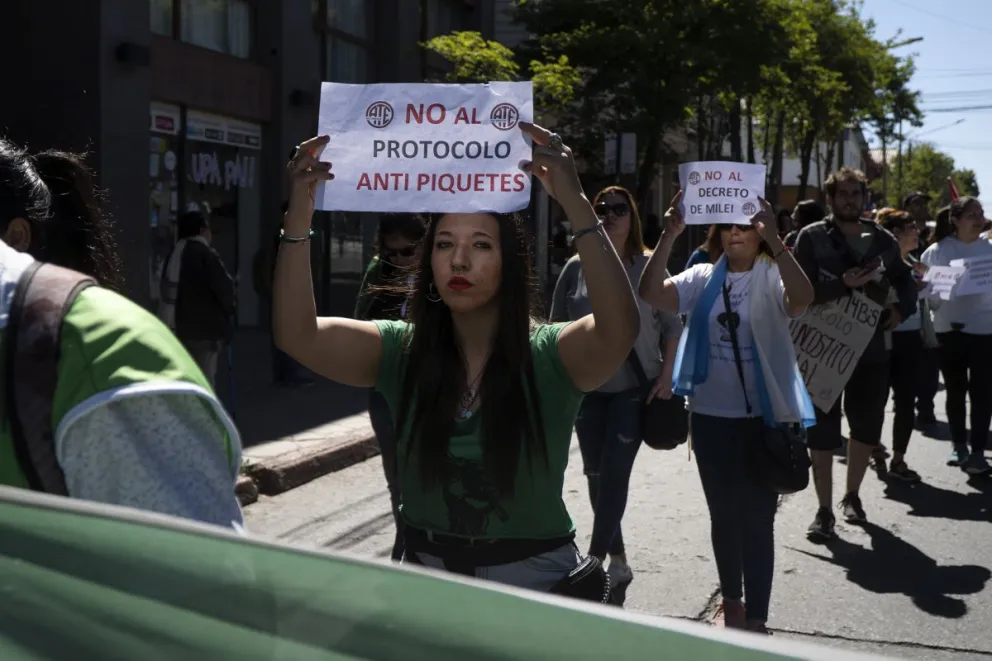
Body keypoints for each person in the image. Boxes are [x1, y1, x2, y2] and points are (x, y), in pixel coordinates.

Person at [274, 126, 639, 593]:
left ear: (509, 263)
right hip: (427, 583)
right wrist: (299, 214)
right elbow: (296, 333)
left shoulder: (549, 353)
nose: (459, 260)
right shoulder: (399, 350)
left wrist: (576, 203)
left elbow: (619, 330)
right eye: (445, 244)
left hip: (535, 586)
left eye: (481, 245)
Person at [0, 137, 243, 529]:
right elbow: (220, 291)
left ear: (16, 236)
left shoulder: (107, 363)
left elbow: (195, 575)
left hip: (187, 334)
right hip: (197, 333)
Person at [639, 192, 815, 634]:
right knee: (723, 516)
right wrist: (668, 234)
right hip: (711, 418)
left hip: (763, 420)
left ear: (757, 233)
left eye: (745, 225)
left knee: (757, 518)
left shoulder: (772, 276)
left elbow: (802, 299)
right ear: (717, 234)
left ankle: (757, 617)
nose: (736, 232)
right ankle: (732, 603)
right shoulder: (702, 276)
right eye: (727, 226)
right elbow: (649, 291)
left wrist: (776, 238)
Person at [551, 185, 682, 602]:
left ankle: (591, 562)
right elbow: (554, 328)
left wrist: (667, 374)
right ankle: (619, 559)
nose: (608, 215)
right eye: (601, 208)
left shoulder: (649, 266)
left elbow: (673, 327)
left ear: (633, 217)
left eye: (618, 209)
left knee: (614, 472)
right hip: (586, 390)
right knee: (594, 475)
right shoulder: (575, 268)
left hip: (633, 390)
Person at [792, 168, 917, 538]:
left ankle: (852, 496)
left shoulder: (882, 241)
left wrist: (901, 309)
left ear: (864, 198)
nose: (849, 199)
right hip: (823, 354)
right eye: (842, 193)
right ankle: (824, 510)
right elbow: (798, 290)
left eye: (855, 193)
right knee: (823, 433)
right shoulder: (812, 238)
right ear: (830, 198)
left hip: (871, 352)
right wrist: (841, 286)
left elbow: (904, 278)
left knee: (865, 427)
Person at [354, 212, 427, 561]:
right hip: (385, 388)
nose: (398, 259)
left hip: (431, 388)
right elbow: (359, 323)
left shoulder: (441, 273)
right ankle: (406, 545)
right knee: (396, 476)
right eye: (390, 253)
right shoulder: (377, 272)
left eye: (407, 251)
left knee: (429, 472)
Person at [921, 196, 992, 476]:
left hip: (985, 331)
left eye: (980, 213)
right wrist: (939, 287)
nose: (978, 219)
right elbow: (926, 295)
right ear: (956, 220)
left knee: (983, 393)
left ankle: (977, 452)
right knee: (955, 390)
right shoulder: (937, 251)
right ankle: (958, 445)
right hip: (948, 330)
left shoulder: (990, 250)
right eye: (971, 214)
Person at [875, 208, 929, 482]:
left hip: (910, 338)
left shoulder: (918, 265)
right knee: (875, 400)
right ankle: (872, 449)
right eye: (911, 228)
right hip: (882, 337)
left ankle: (898, 459)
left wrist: (930, 291)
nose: (917, 232)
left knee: (906, 401)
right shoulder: (878, 262)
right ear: (895, 234)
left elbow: (930, 304)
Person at [160, 210, 237, 387]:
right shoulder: (206, 255)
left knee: (183, 378)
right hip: (205, 331)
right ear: (202, 230)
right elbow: (225, 290)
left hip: (176, 328)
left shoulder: (174, 254)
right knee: (204, 380)